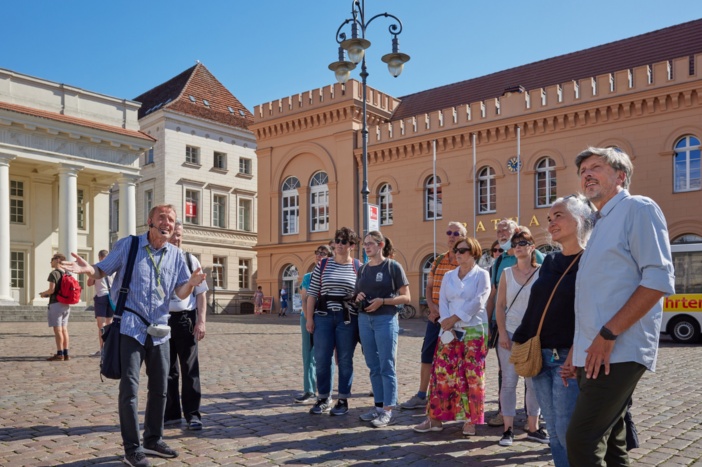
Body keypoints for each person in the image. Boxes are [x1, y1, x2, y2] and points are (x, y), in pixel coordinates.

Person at [64, 204, 207, 467]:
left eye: (172, 220)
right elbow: (102, 270)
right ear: (150, 220)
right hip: (130, 325)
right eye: (162, 218)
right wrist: (88, 270)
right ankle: (132, 447)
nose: (168, 223)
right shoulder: (128, 245)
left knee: (160, 388)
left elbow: (180, 293)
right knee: (130, 388)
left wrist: (191, 283)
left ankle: (153, 439)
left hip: (161, 330)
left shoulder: (176, 255)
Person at [564, 147, 675, 466]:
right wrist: (578, 346)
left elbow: (658, 279)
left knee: (581, 439)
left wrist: (608, 334)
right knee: (612, 442)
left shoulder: (637, 208)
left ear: (621, 177)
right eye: (583, 169)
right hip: (592, 349)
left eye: (596, 167)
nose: (586, 173)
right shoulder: (598, 225)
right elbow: (594, 297)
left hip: (618, 349)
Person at [512, 195, 593, 466]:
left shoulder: (591, 260)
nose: (551, 223)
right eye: (549, 218)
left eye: (558, 215)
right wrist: (520, 340)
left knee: (567, 429)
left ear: (580, 219)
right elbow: (536, 306)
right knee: (555, 434)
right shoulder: (550, 261)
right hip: (539, 355)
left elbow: (591, 313)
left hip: (566, 359)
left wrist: (577, 352)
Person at [413, 236, 490, 435]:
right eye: (456, 250)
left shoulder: (482, 275)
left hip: (473, 330)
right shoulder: (448, 275)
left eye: (462, 250)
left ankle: (470, 421)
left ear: (473, 253)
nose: (458, 253)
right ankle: (435, 419)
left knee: (472, 376)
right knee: (442, 374)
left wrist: (455, 317)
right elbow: (443, 300)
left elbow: (478, 301)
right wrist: (446, 320)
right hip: (448, 329)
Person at [486, 220, 545, 428]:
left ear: (532, 247)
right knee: (508, 381)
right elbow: (498, 303)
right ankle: (507, 427)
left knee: (533, 381)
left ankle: (533, 426)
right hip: (509, 331)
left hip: (533, 334)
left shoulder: (542, 270)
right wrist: (498, 330)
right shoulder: (503, 269)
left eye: (523, 243)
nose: (518, 246)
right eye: (515, 244)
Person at [400, 221, 464, 410]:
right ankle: (422, 394)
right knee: (427, 354)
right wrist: (431, 307)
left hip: (454, 320)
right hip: (435, 318)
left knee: (453, 358)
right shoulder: (438, 261)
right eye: (449, 232)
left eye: (456, 233)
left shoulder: (464, 262)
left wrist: (449, 315)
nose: (452, 236)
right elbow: (429, 288)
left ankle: (451, 396)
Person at [355, 232, 410, 428]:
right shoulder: (362, 269)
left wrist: (383, 301)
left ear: (380, 245)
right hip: (364, 320)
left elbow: (406, 297)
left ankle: (388, 410)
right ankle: (378, 407)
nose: (366, 247)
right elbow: (356, 293)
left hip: (386, 319)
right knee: (373, 365)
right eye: (365, 245)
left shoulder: (392, 267)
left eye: (370, 244)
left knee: (386, 365)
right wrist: (359, 296)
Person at [305, 227, 361, 416]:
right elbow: (312, 294)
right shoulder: (322, 265)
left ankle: (343, 398)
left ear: (351, 245)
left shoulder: (358, 267)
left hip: (347, 319)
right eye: (337, 241)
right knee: (321, 358)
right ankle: (323, 397)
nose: (339, 244)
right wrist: (309, 319)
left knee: (345, 359)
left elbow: (363, 293)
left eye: (344, 242)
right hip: (324, 317)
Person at [164, 221, 209, 431]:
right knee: (167, 370)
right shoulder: (159, 258)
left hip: (185, 319)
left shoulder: (190, 260)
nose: (177, 239)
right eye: (173, 235)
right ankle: (171, 414)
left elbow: (201, 294)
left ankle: (193, 414)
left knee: (190, 369)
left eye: (179, 235)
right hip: (162, 320)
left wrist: (201, 321)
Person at [294, 244, 333, 404]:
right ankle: (309, 390)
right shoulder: (308, 277)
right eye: (318, 253)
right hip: (308, 317)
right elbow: (304, 299)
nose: (319, 256)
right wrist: (308, 317)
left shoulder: (331, 275)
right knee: (308, 354)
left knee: (324, 355)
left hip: (326, 318)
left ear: (330, 257)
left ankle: (326, 391)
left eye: (323, 253)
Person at [39, 253, 71, 361]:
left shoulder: (54, 274)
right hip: (66, 304)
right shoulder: (67, 273)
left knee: (58, 330)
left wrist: (43, 294)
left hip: (56, 304)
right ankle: (66, 353)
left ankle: (59, 354)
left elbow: (51, 290)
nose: (50, 262)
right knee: (64, 330)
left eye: (52, 260)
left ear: (57, 260)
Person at [87, 250, 113, 356]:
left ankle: (102, 349)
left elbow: (89, 283)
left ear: (99, 257)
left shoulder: (96, 267)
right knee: (110, 323)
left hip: (101, 296)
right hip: (112, 297)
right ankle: (110, 348)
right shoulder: (113, 267)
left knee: (101, 324)